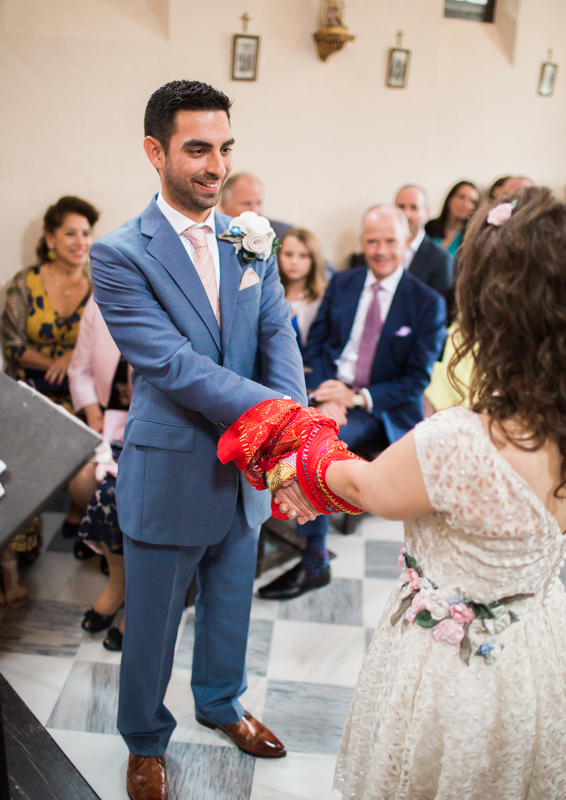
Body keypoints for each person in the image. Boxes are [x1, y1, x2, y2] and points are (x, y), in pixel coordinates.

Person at [243, 186, 566, 799]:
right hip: (538, 653)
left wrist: (289, 440)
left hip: (456, 673)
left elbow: (358, 483)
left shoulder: (459, 441)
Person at [90, 80, 307, 800]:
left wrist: (291, 430)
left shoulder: (250, 237)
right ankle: (145, 742)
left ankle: (220, 705)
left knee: (231, 604)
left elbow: (277, 332)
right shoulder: (121, 253)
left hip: (245, 470)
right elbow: (172, 365)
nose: (215, 167)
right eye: (196, 150)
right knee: (151, 625)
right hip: (173, 462)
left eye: (224, 148)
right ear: (155, 152)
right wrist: (279, 417)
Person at [257, 206, 446, 601]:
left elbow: (415, 380)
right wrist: (329, 388)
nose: (380, 250)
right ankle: (271, 513)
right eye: (372, 241)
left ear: (406, 241)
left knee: (311, 443)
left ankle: (314, 558)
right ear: (362, 243)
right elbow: (321, 344)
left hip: (379, 407)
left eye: (390, 241)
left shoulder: (426, 302)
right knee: (270, 423)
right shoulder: (342, 282)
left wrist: (355, 396)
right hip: (328, 391)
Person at [1, 195, 99, 563]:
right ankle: (19, 548)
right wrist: (52, 361)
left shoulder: (98, 289)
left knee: (91, 446)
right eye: (70, 233)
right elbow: (12, 344)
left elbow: (104, 343)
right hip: (29, 389)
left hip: (77, 392)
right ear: (50, 239)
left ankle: (82, 515)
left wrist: (73, 356)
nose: (80, 242)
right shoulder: (24, 283)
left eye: (86, 233)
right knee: (21, 448)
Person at [68, 297, 131, 650]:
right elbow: (81, 369)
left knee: (119, 492)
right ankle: (118, 578)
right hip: (113, 422)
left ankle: (137, 593)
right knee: (86, 481)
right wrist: (93, 414)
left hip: (161, 425)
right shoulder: (101, 301)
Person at [394, 185, 453, 294]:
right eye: (401, 207)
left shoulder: (440, 260)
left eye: (414, 207)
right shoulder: (379, 252)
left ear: (426, 213)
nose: (407, 214)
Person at [277, 227, 327, 352]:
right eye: (288, 254)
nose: (294, 261)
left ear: (314, 259)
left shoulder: (323, 298)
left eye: (303, 255)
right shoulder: (270, 294)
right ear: (278, 256)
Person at [221, 172, 291, 240]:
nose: (255, 210)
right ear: (224, 205)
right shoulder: (213, 235)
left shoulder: (284, 235)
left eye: (258, 203)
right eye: (246, 204)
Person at [425, 181, 479, 258]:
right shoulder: (427, 227)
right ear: (450, 199)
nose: (466, 204)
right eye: (462, 197)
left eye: (472, 201)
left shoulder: (472, 239)